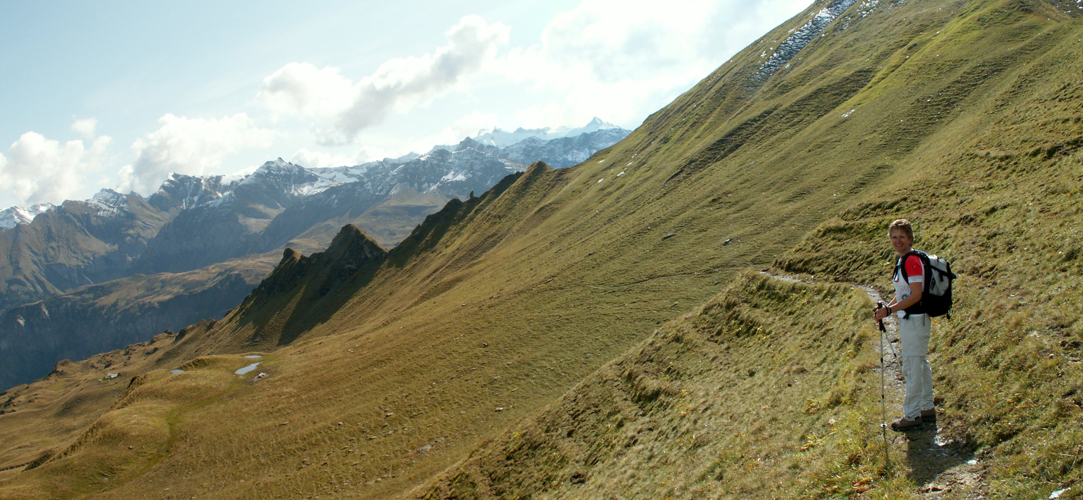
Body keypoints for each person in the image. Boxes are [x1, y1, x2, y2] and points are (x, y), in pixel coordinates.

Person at [873, 219, 935, 431]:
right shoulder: (903, 261)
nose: (897, 241)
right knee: (919, 363)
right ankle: (926, 407)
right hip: (911, 319)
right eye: (894, 237)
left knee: (912, 366)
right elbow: (903, 294)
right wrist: (886, 310)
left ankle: (912, 414)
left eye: (901, 237)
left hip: (916, 320)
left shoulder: (911, 261)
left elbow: (916, 295)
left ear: (910, 238)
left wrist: (890, 310)